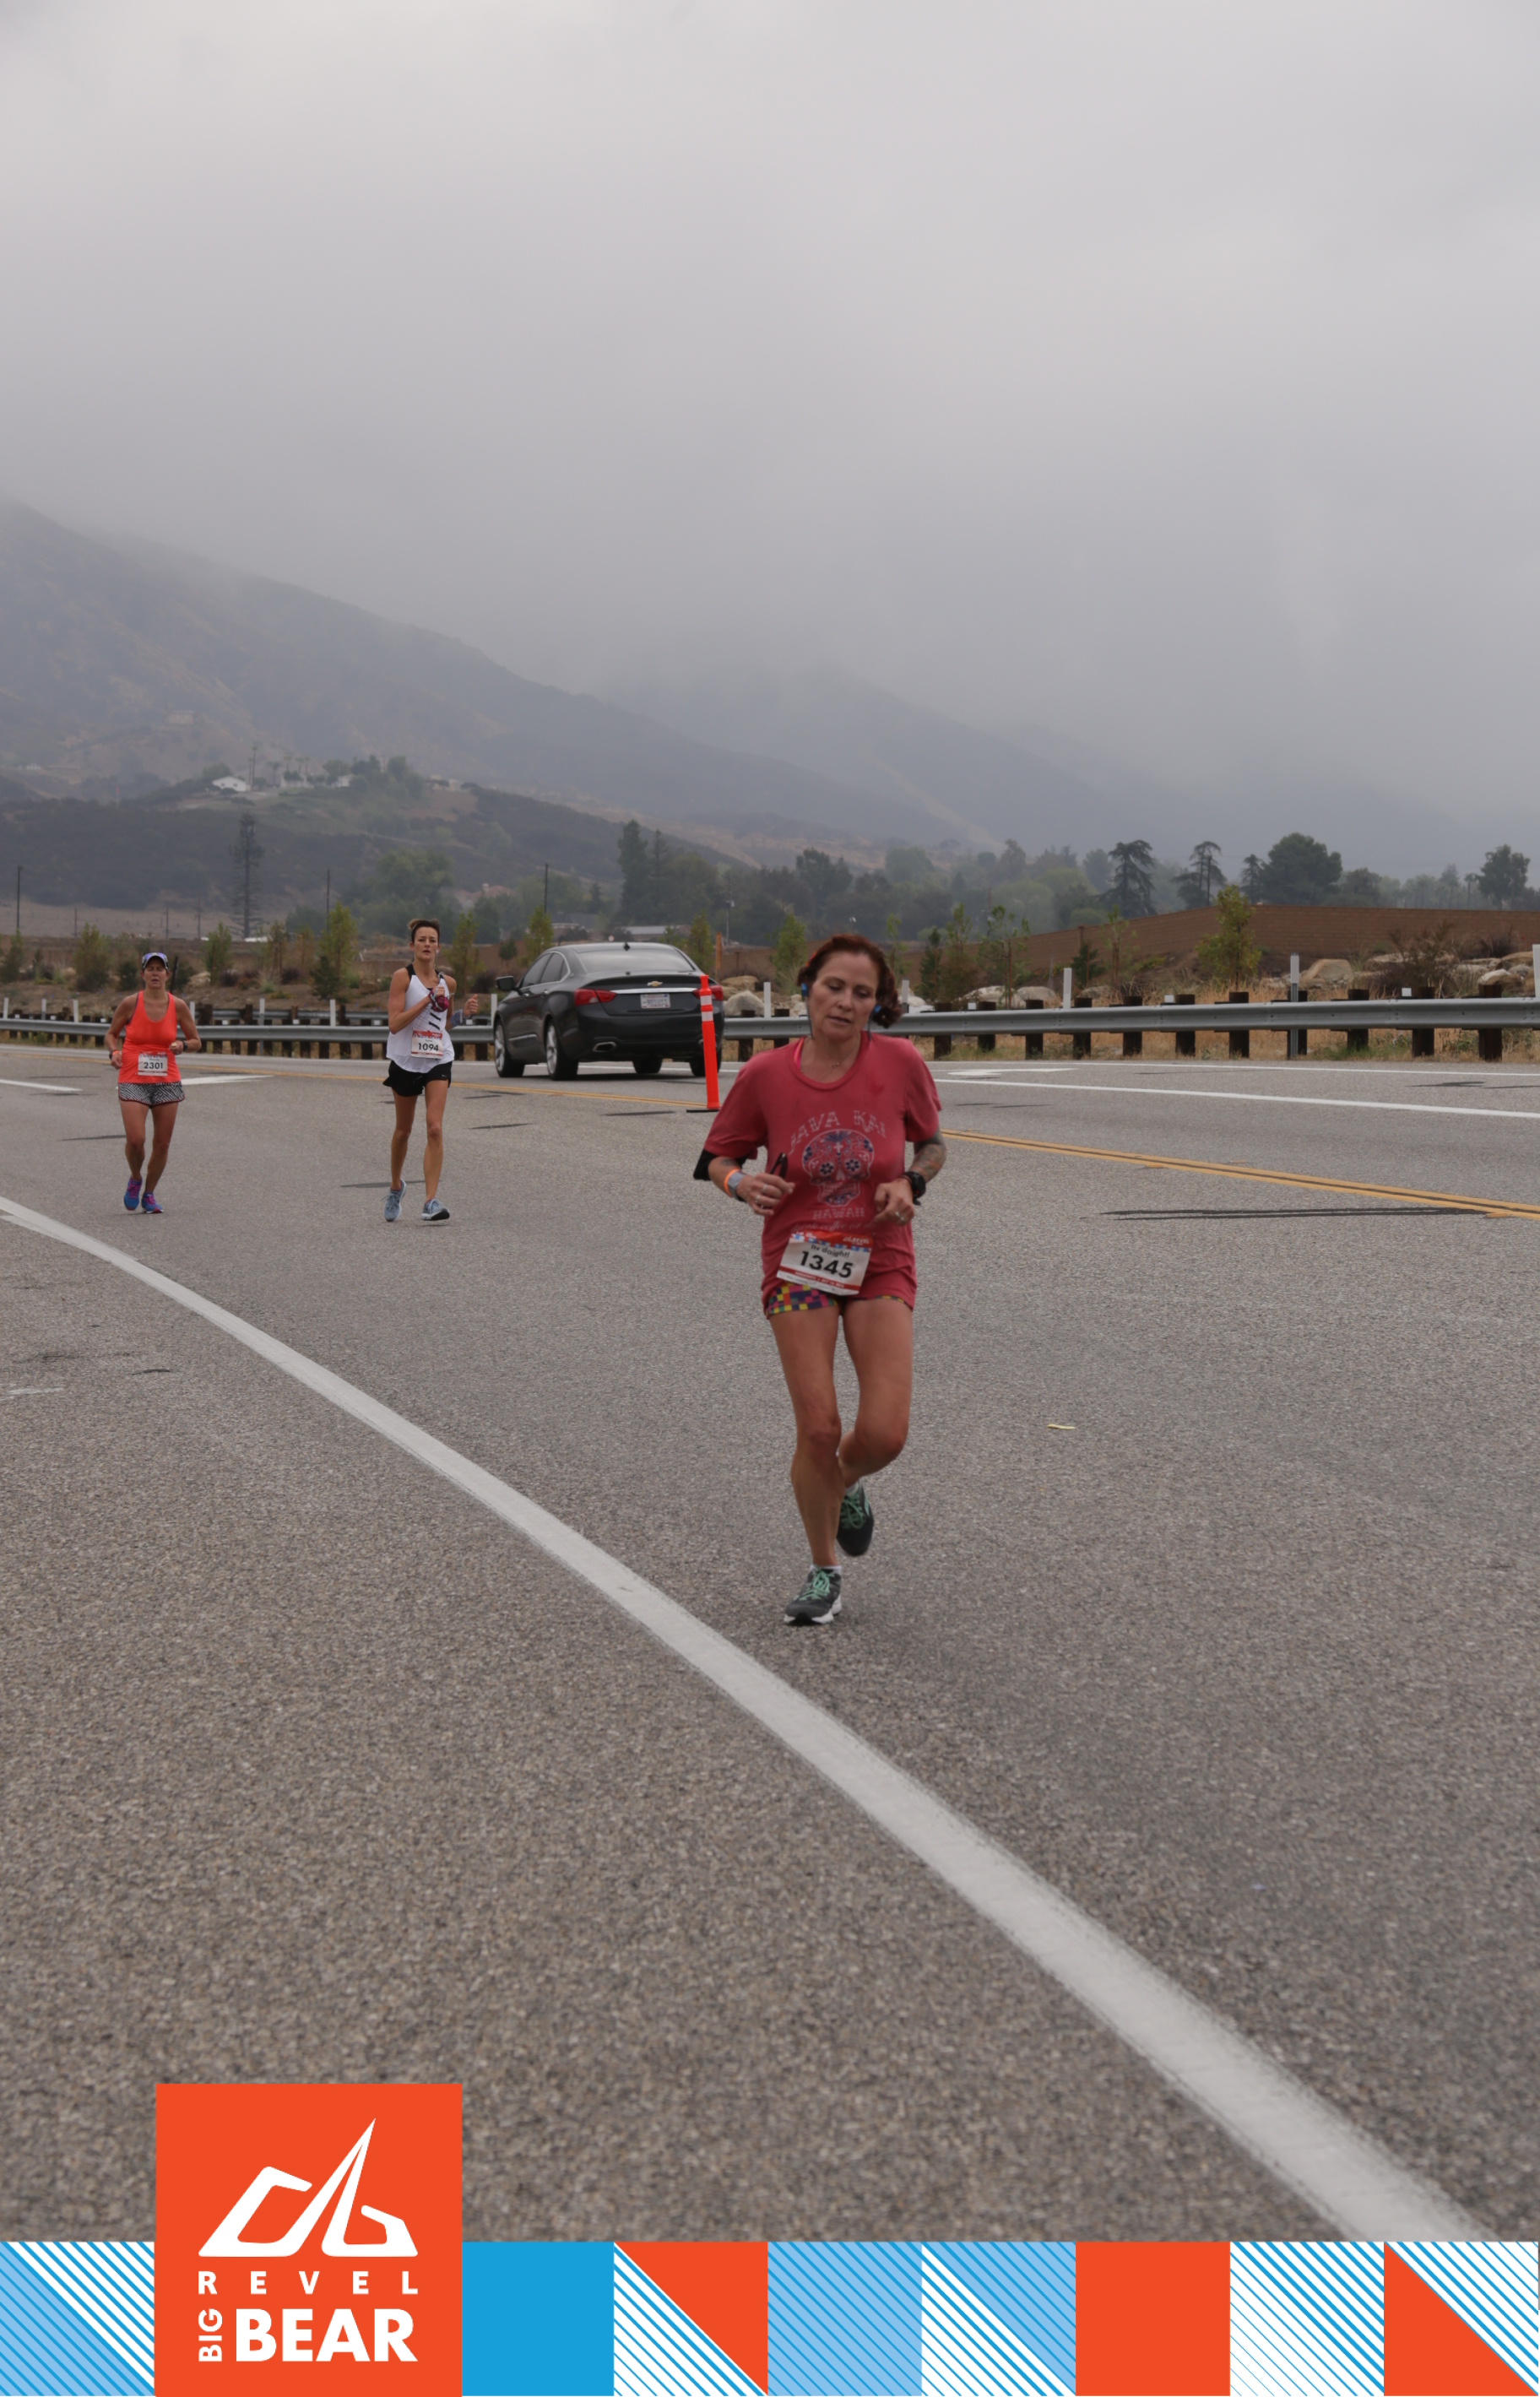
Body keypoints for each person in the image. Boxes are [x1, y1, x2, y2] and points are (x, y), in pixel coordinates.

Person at [697, 932, 946, 1624]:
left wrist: (911, 1182)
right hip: (798, 1258)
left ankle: (847, 1483)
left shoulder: (899, 1063)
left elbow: (932, 1144)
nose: (846, 1001)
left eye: (863, 993)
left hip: (879, 1254)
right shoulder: (765, 1075)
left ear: (877, 1004)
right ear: (808, 989)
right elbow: (716, 1157)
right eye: (834, 986)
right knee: (818, 1428)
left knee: (884, 1433)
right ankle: (823, 1568)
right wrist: (742, 1183)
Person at [107, 950, 202, 1214]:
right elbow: (111, 1034)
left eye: (160, 969)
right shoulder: (130, 1003)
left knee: (162, 1144)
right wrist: (114, 1052)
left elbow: (196, 1041)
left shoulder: (178, 1006)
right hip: (133, 1078)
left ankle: (149, 1193)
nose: (155, 973)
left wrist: (183, 1045)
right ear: (143, 974)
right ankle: (135, 1178)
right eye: (150, 969)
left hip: (166, 1080)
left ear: (167, 975)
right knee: (136, 1140)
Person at [384, 918, 456, 1223]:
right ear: (412, 946)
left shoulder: (448, 983)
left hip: (438, 1057)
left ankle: (430, 1201)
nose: (427, 944)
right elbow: (394, 1023)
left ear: (439, 947)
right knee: (403, 1131)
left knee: (435, 1127)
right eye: (422, 940)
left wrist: (465, 1015)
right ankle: (395, 1187)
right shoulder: (402, 978)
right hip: (405, 1060)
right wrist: (427, 999)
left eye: (432, 940)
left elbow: (447, 1023)